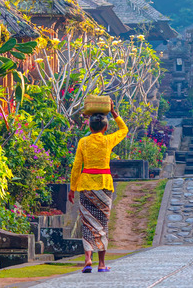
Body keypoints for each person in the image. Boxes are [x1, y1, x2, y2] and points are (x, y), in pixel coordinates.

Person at [68, 101, 127, 274]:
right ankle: (101, 264)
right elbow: (124, 130)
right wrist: (114, 113)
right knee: (102, 223)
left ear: (90, 126)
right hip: (104, 186)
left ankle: (87, 259)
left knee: (87, 223)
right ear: (105, 128)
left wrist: (72, 188)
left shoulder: (83, 142)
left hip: (86, 185)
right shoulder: (108, 140)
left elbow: (76, 166)